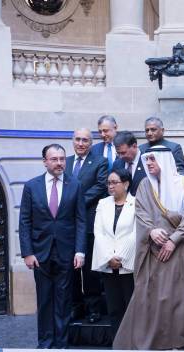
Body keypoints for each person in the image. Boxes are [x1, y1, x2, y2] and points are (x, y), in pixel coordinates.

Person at [113, 146, 184, 350]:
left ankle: (177, 343)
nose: (149, 163)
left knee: (178, 296)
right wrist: (151, 231)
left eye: (153, 159)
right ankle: (151, 342)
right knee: (152, 296)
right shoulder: (144, 184)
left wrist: (174, 240)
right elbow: (141, 211)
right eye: (147, 159)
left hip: (180, 248)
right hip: (153, 250)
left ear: (165, 160)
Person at [19, 144, 86, 348]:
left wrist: (80, 250)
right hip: (40, 254)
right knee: (45, 301)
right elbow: (25, 222)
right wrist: (27, 253)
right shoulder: (31, 186)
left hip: (67, 253)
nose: (59, 163)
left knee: (64, 301)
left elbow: (81, 220)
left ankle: (61, 345)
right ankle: (45, 344)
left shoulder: (76, 185)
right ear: (45, 162)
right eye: (54, 159)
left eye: (62, 159)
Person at [65, 128, 108, 324]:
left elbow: (101, 186)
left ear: (91, 143)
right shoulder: (64, 163)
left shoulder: (100, 161)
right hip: (68, 226)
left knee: (90, 270)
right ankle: (76, 306)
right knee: (71, 269)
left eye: (85, 140)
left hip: (90, 223)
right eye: (78, 139)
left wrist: (77, 202)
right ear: (72, 141)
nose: (81, 143)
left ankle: (93, 309)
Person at [91, 168, 136, 339]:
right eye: (109, 182)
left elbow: (136, 233)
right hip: (108, 264)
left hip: (128, 264)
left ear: (125, 184)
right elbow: (99, 232)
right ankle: (117, 343)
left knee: (131, 307)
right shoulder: (103, 204)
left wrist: (121, 257)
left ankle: (132, 344)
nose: (110, 186)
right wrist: (110, 257)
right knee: (114, 308)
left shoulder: (136, 203)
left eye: (114, 182)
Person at [112, 131, 146, 196]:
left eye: (123, 153)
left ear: (134, 146)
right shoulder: (117, 164)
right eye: (118, 153)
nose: (120, 156)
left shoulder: (147, 161)